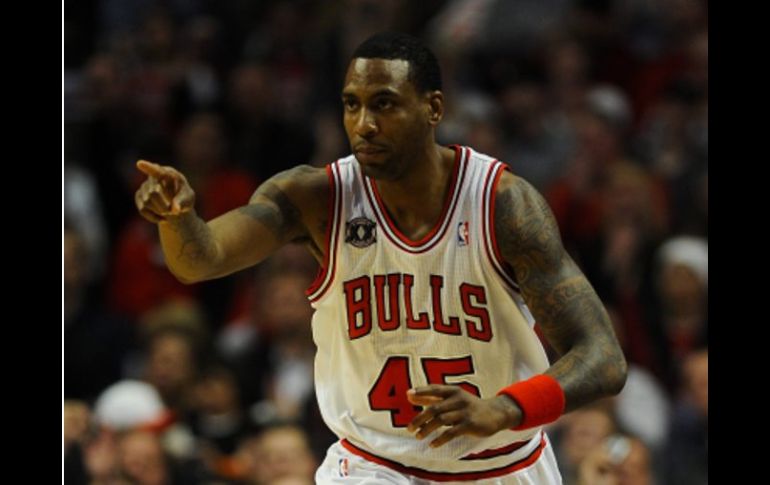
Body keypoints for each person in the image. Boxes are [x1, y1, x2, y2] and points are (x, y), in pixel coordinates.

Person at [134, 31, 627, 484]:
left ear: (433, 108)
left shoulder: (500, 204)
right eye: (352, 104)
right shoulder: (317, 197)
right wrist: (177, 219)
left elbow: (602, 357)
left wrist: (503, 409)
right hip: (373, 463)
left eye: (384, 104)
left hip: (502, 464)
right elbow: (200, 260)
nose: (364, 125)